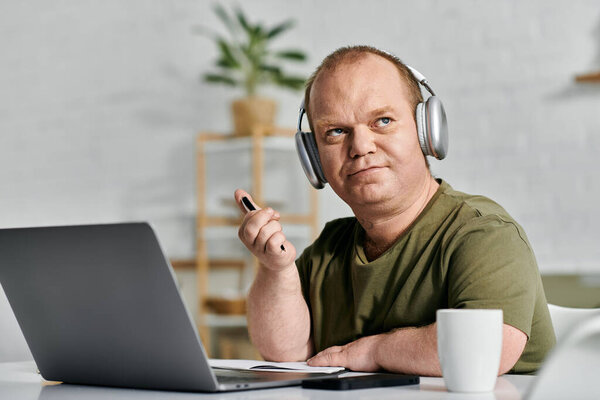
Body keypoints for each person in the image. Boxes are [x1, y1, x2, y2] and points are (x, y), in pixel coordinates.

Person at [234, 45, 555, 376]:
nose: (360, 147)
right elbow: (284, 351)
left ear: (427, 131)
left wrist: (374, 350)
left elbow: (485, 351)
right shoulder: (331, 247)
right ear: (314, 157)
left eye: (382, 121)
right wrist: (276, 269)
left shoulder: (484, 233)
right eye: (336, 132)